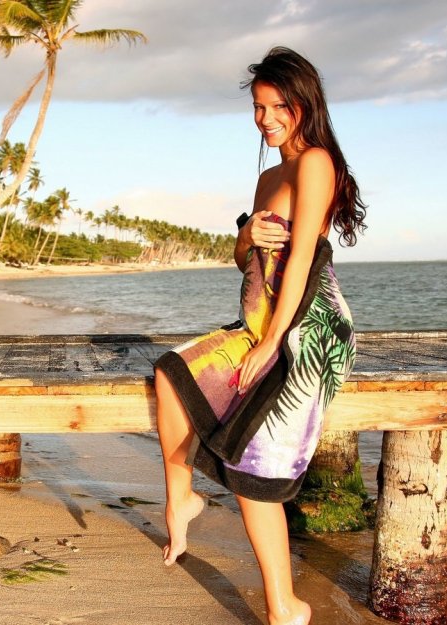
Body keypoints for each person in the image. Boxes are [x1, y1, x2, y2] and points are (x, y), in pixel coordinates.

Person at [153, 47, 366, 625]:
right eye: (258, 106)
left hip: (307, 327)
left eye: (279, 106)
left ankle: (285, 608)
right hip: (258, 322)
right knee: (172, 371)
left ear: (304, 106)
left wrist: (274, 343)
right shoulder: (269, 175)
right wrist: (249, 235)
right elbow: (241, 256)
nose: (266, 117)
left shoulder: (316, 162)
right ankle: (182, 501)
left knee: (255, 462)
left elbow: (301, 262)